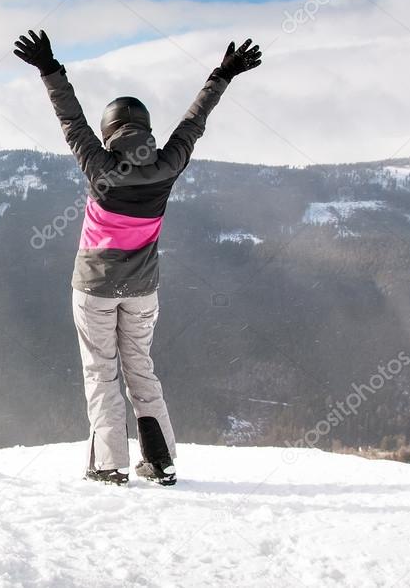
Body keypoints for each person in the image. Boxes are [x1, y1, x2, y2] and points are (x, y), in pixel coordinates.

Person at [13, 29, 262, 486]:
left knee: (101, 373)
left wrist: (50, 68)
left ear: (110, 134)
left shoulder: (100, 166)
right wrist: (222, 74)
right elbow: (194, 122)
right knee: (140, 370)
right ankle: (160, 461)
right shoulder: (170, 164)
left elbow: (71, 121)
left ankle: (109, 465)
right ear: (147, 128)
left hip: (93, 289)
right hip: (143, 291)